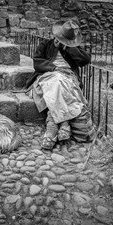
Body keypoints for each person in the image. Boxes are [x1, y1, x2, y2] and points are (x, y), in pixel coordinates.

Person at [25, 20, 92, 150]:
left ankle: (52, 126)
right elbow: (37, 63)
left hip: (68, 78)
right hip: (49, 76)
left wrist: (67, 47)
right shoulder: (46, 44)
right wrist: (54, 68)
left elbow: (85, 60)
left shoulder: (72, 48)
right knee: (57, 80)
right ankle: (64, 123)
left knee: (59, 83)